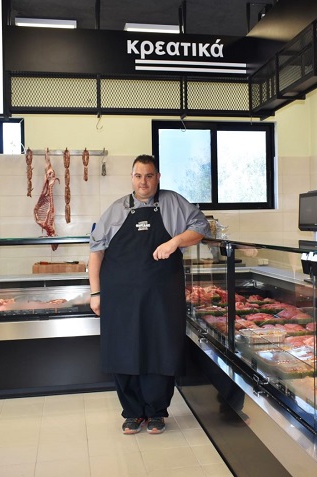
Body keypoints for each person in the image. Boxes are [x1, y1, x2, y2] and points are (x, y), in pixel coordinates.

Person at [88, 154, 209, 435]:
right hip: (121, 298)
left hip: (162, 297)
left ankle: (156, 412)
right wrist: (96, 293)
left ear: (158, 177)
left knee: (161, 351)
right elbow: (96, 253)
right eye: (138, 176)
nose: (144, 182)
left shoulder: (173, 202)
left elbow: (201, 228)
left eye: (149, 176)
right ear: (131, 178)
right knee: (123, 351)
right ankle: (132, 412)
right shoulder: (116, 210)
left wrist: (175, 242)